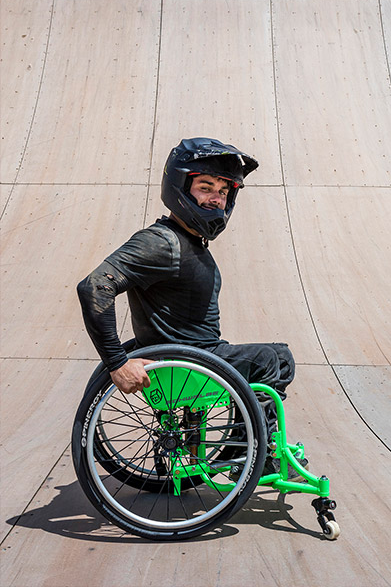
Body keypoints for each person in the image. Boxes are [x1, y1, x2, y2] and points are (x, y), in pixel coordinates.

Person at [77, 137, 307, 479]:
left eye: (224, 190)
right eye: (206, 186)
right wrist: (116, 363)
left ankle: (241, 451)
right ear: (181, 187)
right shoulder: (161, 242)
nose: (217, 197)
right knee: (270, 359)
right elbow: (95, 285)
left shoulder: (189, 241)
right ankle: (250, 452)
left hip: (197, 357)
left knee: (279, 355)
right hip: (187, 363)